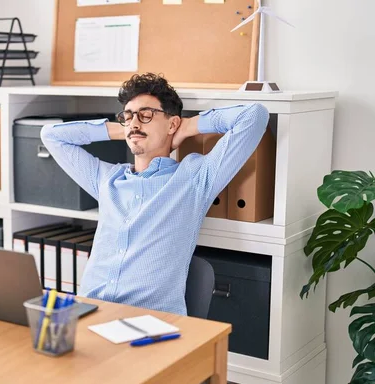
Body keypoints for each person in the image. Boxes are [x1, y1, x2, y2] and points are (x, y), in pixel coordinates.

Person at [41, 73, 269, 315]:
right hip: (88, 311)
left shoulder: (194, 178)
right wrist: (125, 131)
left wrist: (189, 126)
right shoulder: (107, 180)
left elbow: (254, 115)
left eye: (146, 115)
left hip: (150, 321)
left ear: (172, 124)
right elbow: (51, 136)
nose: (135, 123)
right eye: (128, 116)